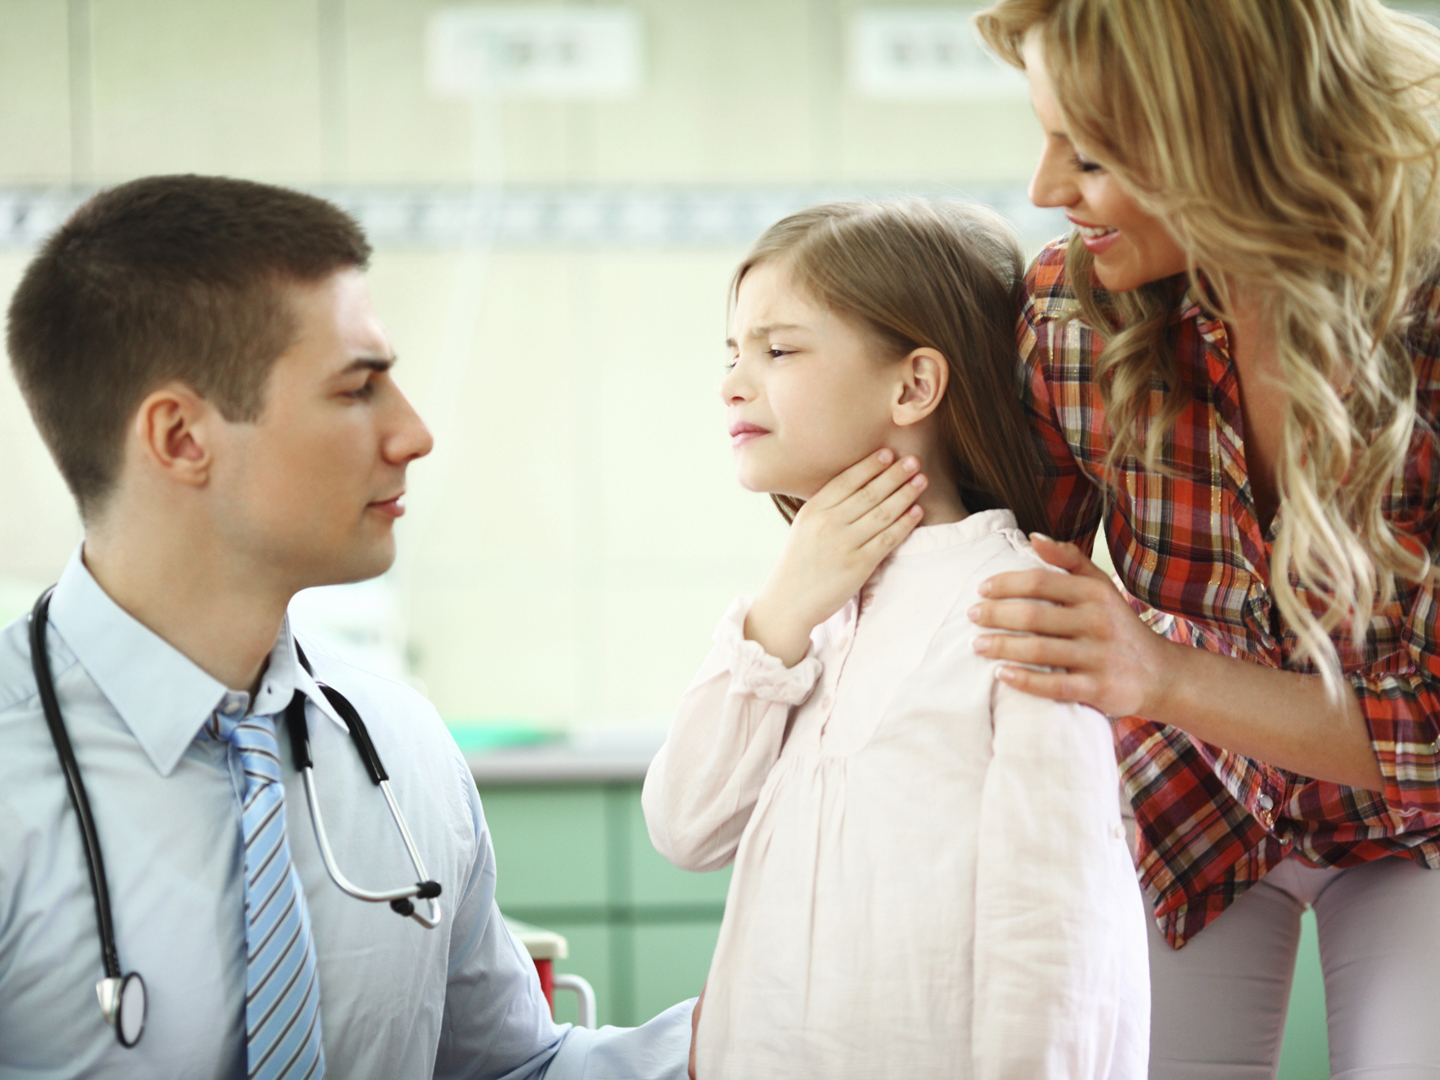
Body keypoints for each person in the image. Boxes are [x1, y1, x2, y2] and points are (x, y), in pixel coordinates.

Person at [0, 174, 693, 1079]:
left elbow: (504, 1070)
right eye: (358, 389)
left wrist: (735, 1039)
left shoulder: (401, 746)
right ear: (179, 438)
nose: (413, 434)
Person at [967, 1, 1440, 1074]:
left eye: (1088, 155)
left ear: (1229, 146)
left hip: (1421, 827)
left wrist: (1159, 671)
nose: (1045, 191)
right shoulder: (1072, 315)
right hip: (1194, 802)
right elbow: (996, 562)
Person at [642, 200, 1149, 1080]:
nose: (731, 382)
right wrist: (783, 611)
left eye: (778, 349)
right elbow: (685, 826)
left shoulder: (1020, 606)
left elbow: (1058, 950)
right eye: (733, 353)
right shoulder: (807, 614)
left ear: (913, 386)